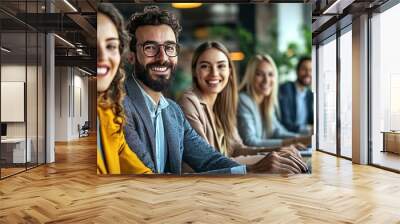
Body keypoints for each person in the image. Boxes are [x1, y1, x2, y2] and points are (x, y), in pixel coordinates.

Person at [123, 6, 308, 174]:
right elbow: (149, 178)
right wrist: (252, 169)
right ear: (131, 56)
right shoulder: (121, 106)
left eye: (169, 48)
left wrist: (257, 166)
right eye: (150, 47)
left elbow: (209, 159)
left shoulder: (172, 111)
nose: (162, 57)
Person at [178, 41, 302, 160]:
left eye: (221, 66)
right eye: (205, 66)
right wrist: (255, 167)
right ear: (194, 71)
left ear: (230, 72)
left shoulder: (222, 106)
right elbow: (206, 160)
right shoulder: (189, 102)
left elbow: (238, 149)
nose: (214, 73)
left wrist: (277, 151)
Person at [97, 3, 152, 174]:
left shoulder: (109, 110)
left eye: (111, 46)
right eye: (93, 44)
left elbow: (134, 166)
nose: (102, 56)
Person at [237, 54, 309, 148]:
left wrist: (302, 138)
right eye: (259, 74)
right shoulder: (243, 100)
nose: (266, 80)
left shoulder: (266, 101)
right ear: (250, 76)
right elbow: (250, 141)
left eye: (270, 74)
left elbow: (277, 131)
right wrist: (291, 143)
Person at [279, 56, 313, 134]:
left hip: (306, 137)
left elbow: (311, 119)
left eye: (311, 70)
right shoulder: (286, 89)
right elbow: (285, 123)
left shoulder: (309, 94)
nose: (308, 73)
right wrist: (308, 129)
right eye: (304, 69)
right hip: (289, 136)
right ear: (297, 71)